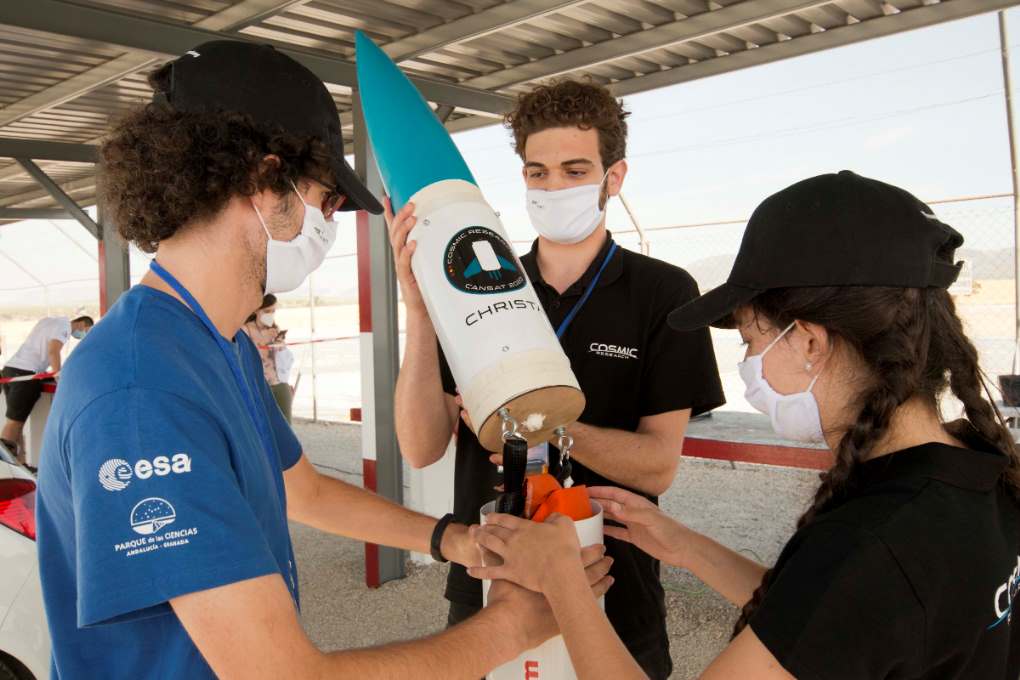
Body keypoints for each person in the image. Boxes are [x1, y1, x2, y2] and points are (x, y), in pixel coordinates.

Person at [35, 40, 611, 680]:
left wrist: (454, 540)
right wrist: (516, 623)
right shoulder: (143, 388)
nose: (331, 223)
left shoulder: (213, 342)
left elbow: (299, 491)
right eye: (327, 199)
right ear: (264, 180)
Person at [472, 171, 1020, 679]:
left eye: (751, 341)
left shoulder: (870, 543)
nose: (749, 364)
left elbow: (845, 594)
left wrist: (562, 580)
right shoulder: (976, 466)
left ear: (808, 341)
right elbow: (828, 621)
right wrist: (687, 547)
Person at [389, 77, 724, 679]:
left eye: (574, 171)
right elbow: (419, 446)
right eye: (536, 172)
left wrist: (534, 419)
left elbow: (656, 466)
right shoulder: (474, 280)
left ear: (613, 177)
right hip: (490, 576)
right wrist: (420, 307)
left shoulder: (663, 293)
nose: (553, 188)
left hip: (612, 584)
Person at [1, 314, 92, 462]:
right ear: (82, 324)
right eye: (86, 332)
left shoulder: (49, 321)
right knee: (14, 424)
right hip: (26, 373)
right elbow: (53, 351)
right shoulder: (64, 328)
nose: (83, 336)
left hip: (11, 369)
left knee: (17, 422)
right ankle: (5, 464)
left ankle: (20, 463)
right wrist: (59, 377)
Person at [243, 293, 293, 422]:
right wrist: (261, 342)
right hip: (259, 387)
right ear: (256, 310)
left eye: (273, 311)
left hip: (280, 385)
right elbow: (243, 357)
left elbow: (286, 362)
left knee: (287, 430)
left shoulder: (275, 330)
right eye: (267, 311)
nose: (270, 315)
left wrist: (280, 345)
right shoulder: (245, 330)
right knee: (262, 428)